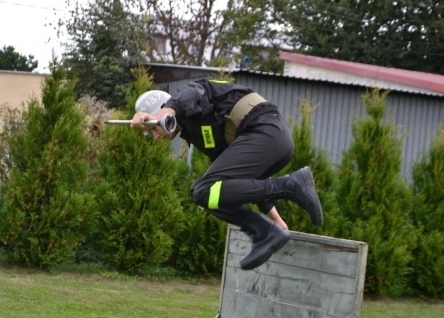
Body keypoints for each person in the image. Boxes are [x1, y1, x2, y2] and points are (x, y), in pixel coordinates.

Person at [130, 80, 323, 270]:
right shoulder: (197, 133)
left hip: (266, 131)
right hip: (271, 143)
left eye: (153, 128)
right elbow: (242, 183)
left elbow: (193, 92)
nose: (156, 136)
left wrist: (166, 112)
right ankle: (265, 231)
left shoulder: (191, 98)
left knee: (202, 190)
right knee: (210, 194)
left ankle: (289, 188)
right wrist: (277, 220)